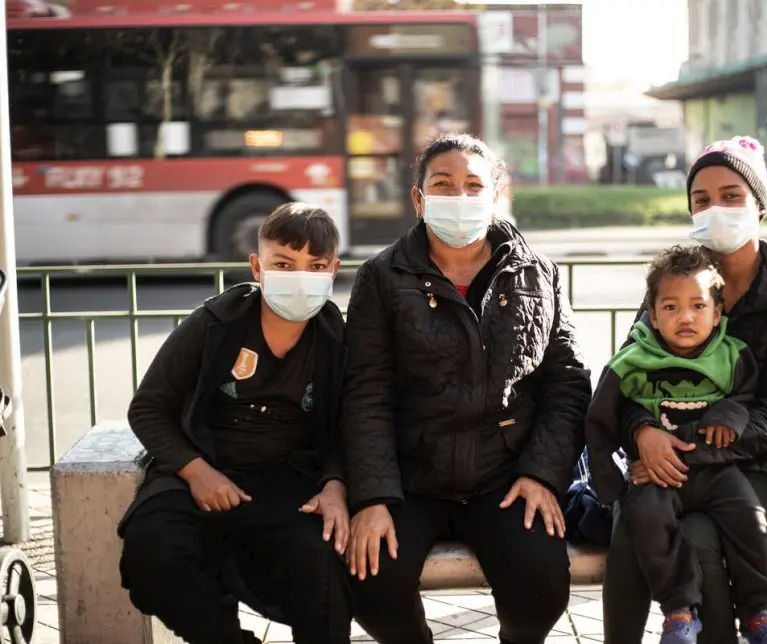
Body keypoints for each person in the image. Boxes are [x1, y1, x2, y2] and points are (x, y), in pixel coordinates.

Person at [341, 133, 592, 644]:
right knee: (370, 581)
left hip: (504, 476)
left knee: (542, 586)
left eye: (473, 185)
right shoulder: (381, 277)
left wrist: (542, 474)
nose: (459, 197)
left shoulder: (537, 274)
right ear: (418, 198)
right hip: (410, 480)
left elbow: (567, 384)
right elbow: (364, 392)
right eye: (443, 184)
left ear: (495, 193)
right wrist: (372, 497)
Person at [585, 136, 767, 644]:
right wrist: (642, 431)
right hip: (662, 458)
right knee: (630, 523)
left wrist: (684, 450)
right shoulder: (674, 280)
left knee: (700, 536)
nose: (716, 209)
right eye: (702, 200)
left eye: (732, 196)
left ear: (759, 204)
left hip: (750, 468)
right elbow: (630, 375)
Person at [117, 203, 353, 644]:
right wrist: (196, 471)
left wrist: (335, 485)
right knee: (153, 555)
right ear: (257, 267)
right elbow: (148, 408)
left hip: (290, 483)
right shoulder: (213, 325)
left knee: (322, 567)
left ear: (334, 270)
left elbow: (352, 425)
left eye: (315, 266)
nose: (299, 276)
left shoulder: (339, 342)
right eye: (283, 263)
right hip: (200, 475)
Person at [587, 245, 767, 644]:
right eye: (671, 307)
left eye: (698, 306)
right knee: (643, 521)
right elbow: (601, 418)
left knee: (749, 517)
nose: (685, 317)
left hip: (717, 472)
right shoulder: (632, 361)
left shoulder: (732, 355)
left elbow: (748, 396)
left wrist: (729, 414)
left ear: (717, 314)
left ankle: (757, 614)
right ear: (652, 312)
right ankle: (679, 610)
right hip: (657, 475)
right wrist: (612, 486)